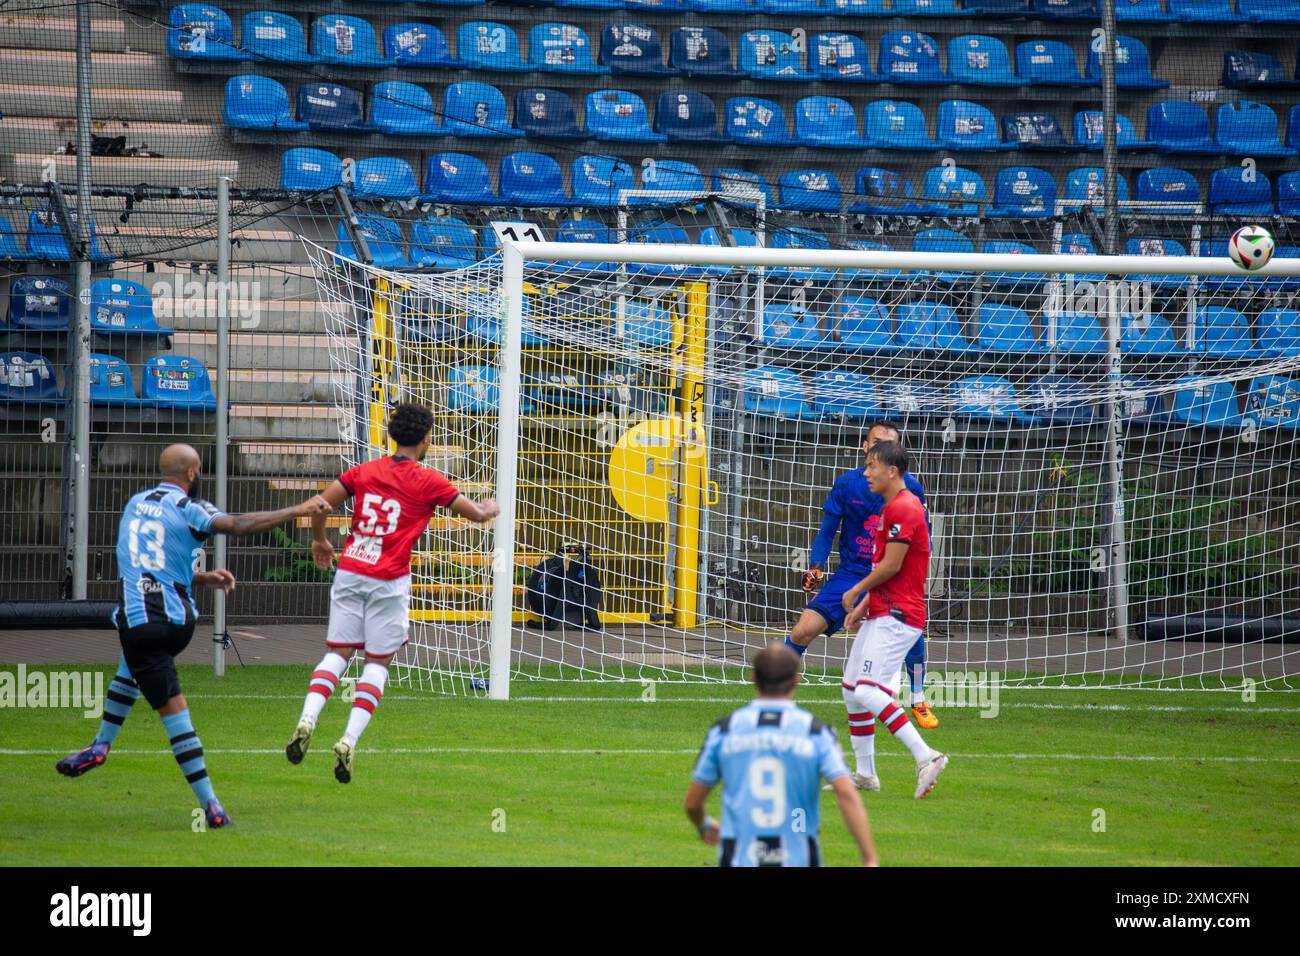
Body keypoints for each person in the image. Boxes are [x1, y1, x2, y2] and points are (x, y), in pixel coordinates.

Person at [56, 443, 332, 828]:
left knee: (165, 702)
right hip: (172, 623)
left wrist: (198, 576)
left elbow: (146, 564)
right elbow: (236, 525)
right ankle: (109, 750)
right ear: (192, 473)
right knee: (138, 672)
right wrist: (297, 510)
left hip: (142, 622)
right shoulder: (188, 508)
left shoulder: (134, 505)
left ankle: (200, 801)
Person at [286, 402, 500, 783]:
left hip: (351, 568)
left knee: (338, 653)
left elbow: (318, 504)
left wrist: (320, 541)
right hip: (389, 578)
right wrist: (489, 506)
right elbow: (476, 515)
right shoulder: (430, 481)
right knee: (377, 663)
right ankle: (348, 740)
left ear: (392, 435)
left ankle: (307, 717)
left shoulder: (363, 472)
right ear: (425, 439)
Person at [786, 420, 940, 739]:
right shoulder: (847, 484)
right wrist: (816, 566)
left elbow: (916, 543)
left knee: (909, 632)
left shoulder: (911, 491)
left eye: (890, 444)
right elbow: (827, 530)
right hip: (853, 574)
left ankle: (919, 698)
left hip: (890, 576)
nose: (881, 449)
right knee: (802, 630)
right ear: (865, 446)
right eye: (876, 443)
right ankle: (778, 695)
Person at [684, 643, 879, 867]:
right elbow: (846, 793)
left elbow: (692, 804)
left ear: (753, 678)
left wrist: (703, 824)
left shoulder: (725, 730)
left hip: (738, 857)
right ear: (796, 679)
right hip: (799, 858)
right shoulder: (816, 733)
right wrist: (869, 858)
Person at [840, 441, 948, 800]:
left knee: (868, 690)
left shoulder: (905, 507)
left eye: (872, 466)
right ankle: (866, 775)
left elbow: (891, 566)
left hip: (899, 616)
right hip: (883, 611)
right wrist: (863, 606)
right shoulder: (892, 507)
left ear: (892, 470)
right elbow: (886, 571)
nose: (866, 472)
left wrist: (855, 591)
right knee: (852, 689)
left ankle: (926, 756)